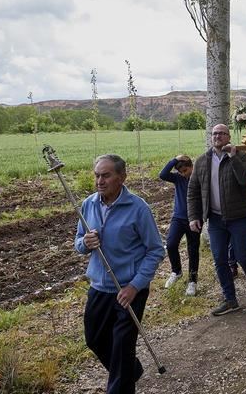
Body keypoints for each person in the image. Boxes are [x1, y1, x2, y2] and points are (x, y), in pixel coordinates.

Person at [75, 154, 164, 394]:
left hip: (129, 289)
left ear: (122, 177)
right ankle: (131, 371)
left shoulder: (138, 208)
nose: (100, 181)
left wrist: (135, 286)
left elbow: (155, 250)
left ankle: (123, 380)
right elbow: (78, 244)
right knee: (94, 339)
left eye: (106, 175)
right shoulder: (88, 205)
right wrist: (86, 242)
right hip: (100, 287)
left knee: (123, 348)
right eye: (97, 175)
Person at [187, 124, 246, 316]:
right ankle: (230, 299)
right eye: (215, 134)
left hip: (239, 217)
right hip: (216, 219)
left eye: (222, 133)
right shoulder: (202, 161)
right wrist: (194, 216)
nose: (218, 136)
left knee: (243, 255)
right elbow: (193, 191)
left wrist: (233, 156)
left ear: (229, 137)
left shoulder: (241, 156)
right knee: (219, 259)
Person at [159, 155, 200, 296]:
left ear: (191, 167)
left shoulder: (198, 178)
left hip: (194, 219)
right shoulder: (178, 178)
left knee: (193, 250)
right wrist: (174, 160)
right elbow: (163, 174)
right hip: (178, 218)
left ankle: (192, 281)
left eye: (185, 170)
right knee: (170, 244)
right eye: (180, 171)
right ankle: (176, 271)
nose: (183, 174)